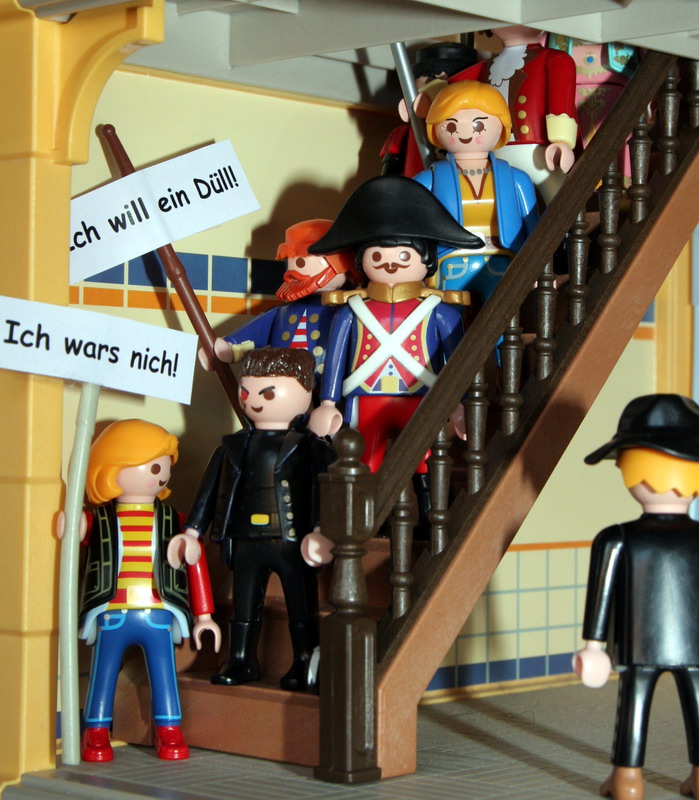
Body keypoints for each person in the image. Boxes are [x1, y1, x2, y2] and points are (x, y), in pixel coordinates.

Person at [307, 175, 481, 492]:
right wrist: (328, 402)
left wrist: (461, 402)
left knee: (426, 462)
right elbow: (335, 360)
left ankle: (428, 510)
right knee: (363, 461)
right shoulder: (350, 312)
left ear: (426, 261)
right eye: (376, 256)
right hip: (365, 399)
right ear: (361, 262)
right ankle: (365, 515)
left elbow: (459, 361)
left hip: (422, 399)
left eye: (404, 256)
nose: (389, 264)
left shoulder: (440, 312)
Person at [185, 347, 335, 691]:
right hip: (244, 539)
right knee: (244, 604)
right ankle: (241, 658)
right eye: (246, 392)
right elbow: (208, 491)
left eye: (267, 393)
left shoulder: (311, 447)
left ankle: (304, 659)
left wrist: (320, 529)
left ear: (306, 392)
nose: (253, 401)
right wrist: (192, 532)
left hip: (292, 539)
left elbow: (324, 490)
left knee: (301, 603)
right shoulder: (232, 447)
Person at [574, 394, 699, 800]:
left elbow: (600, 596)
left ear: (628, 467)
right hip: (694, 647)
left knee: (633, 706)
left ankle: (628, 780)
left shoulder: (616, 538)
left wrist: (593, 646)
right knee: (698, 705)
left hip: (638, 643)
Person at [77, 419, 220, 762]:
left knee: (163, 672)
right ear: (112, 469)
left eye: (164, 466)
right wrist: (73, 522)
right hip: (111, 613)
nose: (162, 473)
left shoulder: (174, 521)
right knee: (103, 672)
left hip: (158, 613)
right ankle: (96, 730)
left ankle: (168, 728)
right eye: (153, 465)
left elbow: (196, 563)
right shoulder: (101, 520)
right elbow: (77, 536)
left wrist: (204, 615)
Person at [413, 80, 539, 302]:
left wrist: (538, 268)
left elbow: (536, 229)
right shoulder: (429, 179)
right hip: (449, 260)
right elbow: (410, 227)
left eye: (478, 125)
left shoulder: (516, 178)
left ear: (501, 126)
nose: (464, 133)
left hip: (503, 259)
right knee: (449, 315)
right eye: (451, 126)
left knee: (502, 313)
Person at [200, 219, 358, 391]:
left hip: (328, 390)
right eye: (291, 260)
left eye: (301, 261)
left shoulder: (348, 312)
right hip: (281, 392)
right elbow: (256, 331)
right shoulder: (282, 313)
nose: (294, 272)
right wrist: (227, 347)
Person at [447, 26, 578, 204]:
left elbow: (561, 98)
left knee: (559, 200)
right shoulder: (487, 66)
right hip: (496, 150)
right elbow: (455, 88)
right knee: (504, 202)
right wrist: (428, 96)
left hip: (538, 150)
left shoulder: (554, 58)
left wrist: (561, 140)